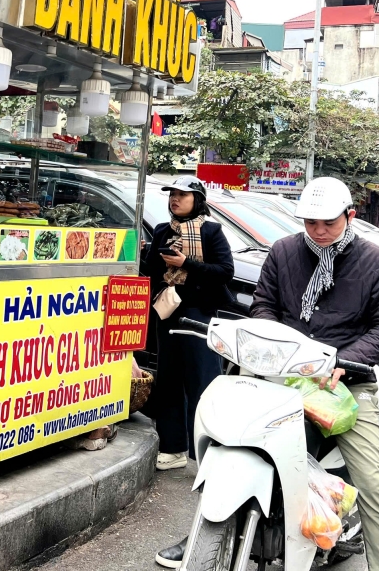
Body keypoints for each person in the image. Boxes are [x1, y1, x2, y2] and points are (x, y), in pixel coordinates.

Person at [249, 176, 379, 571]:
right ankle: (209, 532)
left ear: (349, 216)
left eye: (329, 223)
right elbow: (263, 306)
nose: (318, 232)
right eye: (310, 223)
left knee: (373, 486)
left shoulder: (376, 261)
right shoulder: (284, 251)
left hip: (348, 387)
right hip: (286, 381)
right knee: (243, 450)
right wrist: (275, 344)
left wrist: (344, 360)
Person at [146, 176, 234, 569]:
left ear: (197, 200)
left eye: (182, 196)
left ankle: (209, 455)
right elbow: (150, 269)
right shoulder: (164, 231)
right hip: (167, 310)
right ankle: (172, 447)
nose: (175, 201)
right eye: (173, 196)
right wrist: (158, 259)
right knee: (167, 379)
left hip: (198, 313)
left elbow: (224, 272)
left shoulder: (211, 230)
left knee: (202, 382)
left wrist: (188, 264)